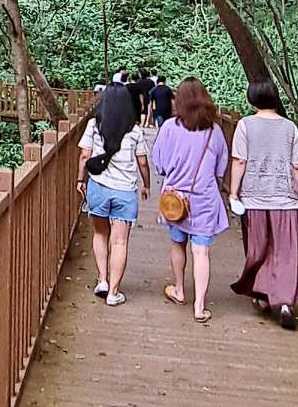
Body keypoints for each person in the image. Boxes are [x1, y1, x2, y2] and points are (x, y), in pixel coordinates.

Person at [228, 76, 298, 329]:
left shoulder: (245, 125)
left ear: (252, 99)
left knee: (259, 248)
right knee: (286, 251)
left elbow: (239, 161)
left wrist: (234, 192)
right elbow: (296, 165)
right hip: (285, 198)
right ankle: (285, 302)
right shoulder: (289, 127)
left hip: (255, 197)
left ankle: (262, 294)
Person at [149, 78, 227, 321]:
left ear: (178, 101)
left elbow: (159, 164)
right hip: (204, 198)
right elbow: (220, 168)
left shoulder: (170, 127)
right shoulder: (215, 131)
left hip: (175, 200)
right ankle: (199, 306)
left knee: (177, 244)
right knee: (201, 251)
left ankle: (180, 290)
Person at [76, 77, 150, 307]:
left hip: (98, 187)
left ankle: (102, 280)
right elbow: (143, 162)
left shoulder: (94, 126)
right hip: (125, 191)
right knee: (119, 242)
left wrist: (81, 179)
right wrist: (146, 184)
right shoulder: (135, 131)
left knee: (100, 235)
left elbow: (84, 156)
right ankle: (114, 293)